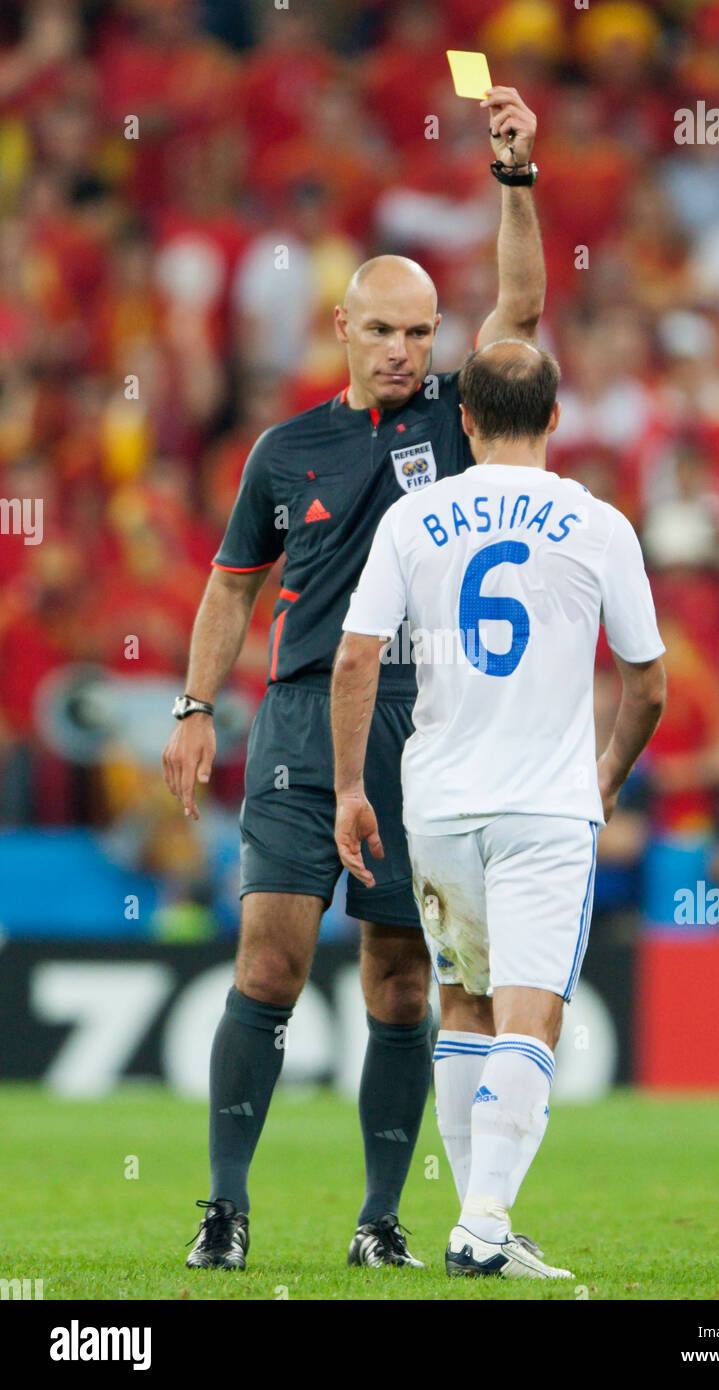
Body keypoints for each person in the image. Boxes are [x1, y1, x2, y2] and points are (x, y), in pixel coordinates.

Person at [162, 87, 546, 1271]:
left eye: (419, 332)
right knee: (270, 951)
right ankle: (224, 1210)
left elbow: (522, 304)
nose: (402, 350)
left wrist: (514, 178)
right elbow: (232, 586)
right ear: (341, 327)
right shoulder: (286, 450)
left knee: (395, 978)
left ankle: (380, 1223)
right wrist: (190, 705)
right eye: (382, 330)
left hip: (420, 724)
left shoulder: (460, 413)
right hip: (295, 714)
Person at [332, 340, 666, 1278]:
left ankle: (481, 1222)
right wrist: (606, 772)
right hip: (545, 805)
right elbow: (647, 683)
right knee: (532, 1014)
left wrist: (353, 788)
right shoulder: (598, 524)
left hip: (436, 802)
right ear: (556, 419)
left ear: (466, 420)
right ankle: (482, 1224)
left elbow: (357, 658)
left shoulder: (414, 516)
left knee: (465, 1007)